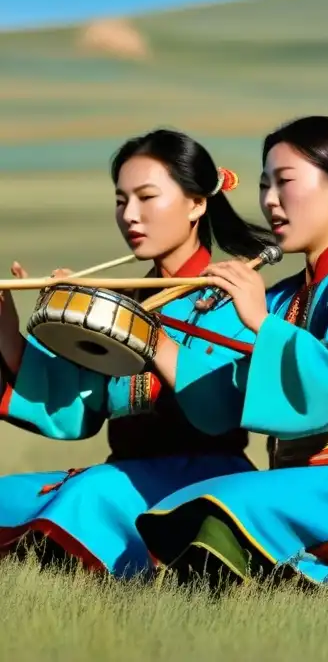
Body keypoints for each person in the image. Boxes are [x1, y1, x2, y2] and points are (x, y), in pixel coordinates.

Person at [135, 115, 328, 587]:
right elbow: (226, 395)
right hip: (299, 482)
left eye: (285, 183)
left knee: (219, 511)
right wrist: (151, 337)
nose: (270, 202)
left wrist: (260, 321)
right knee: (184, 508)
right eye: (264, 186)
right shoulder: (283, 295)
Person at [0, 129, 275, 578]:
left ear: (196, 204)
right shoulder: (121, 297)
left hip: (204, 476)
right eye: (120, 200)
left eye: (147, 197)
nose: (131, 215)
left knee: (88, 494)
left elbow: (225, 407)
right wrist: (8, 334)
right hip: (123, 474)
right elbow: (77, 411)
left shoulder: (231, 294)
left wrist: (145, 332)